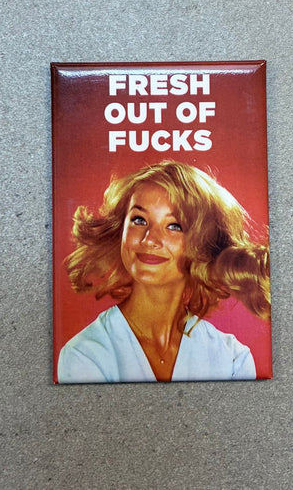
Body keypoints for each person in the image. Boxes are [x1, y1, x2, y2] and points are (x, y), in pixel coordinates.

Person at [57, 161, 270, 383]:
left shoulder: (232, 358)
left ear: (203, 245)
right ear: (121, 230)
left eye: (174, 226)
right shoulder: (84, 355)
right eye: (139, 220)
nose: (150, 239)